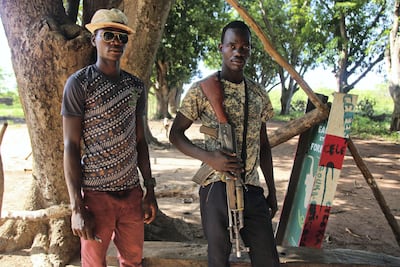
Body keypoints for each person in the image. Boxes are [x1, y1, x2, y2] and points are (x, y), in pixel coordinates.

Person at [169, 21, 280, 267]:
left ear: (250, 51)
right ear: (221, 48)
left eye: (244, 47)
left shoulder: (259, 93)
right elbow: (175, 134)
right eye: (232, 45)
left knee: (268, 259)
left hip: (252, 188)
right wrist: (209, 158)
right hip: (215, 188)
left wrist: (271, 191)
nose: (238, 52)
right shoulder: (201, 90)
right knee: (218, 259)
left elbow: (263, 146)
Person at [61, 8, 157, 267]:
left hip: (131, 194)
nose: (116, 41)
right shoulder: (79, 83)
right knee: (94, 263)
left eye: (122, 37)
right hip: (96, 196)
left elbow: (139, 141)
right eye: (109, 35)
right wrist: (77, 207)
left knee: (133, 261)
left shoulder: (135, 87)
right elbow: (70, 145)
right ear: (95, 39)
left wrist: (149, 189)